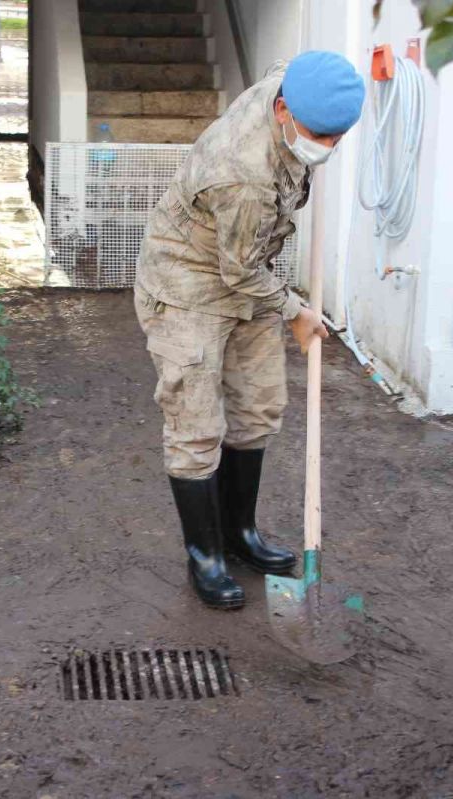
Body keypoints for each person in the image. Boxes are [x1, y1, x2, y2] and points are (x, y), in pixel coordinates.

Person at [135, 51, 365, 609]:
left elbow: (288, 66)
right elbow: (235, 272)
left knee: (257, 406)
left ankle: (240, 535)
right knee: (196, 424)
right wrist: (297, 312)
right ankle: (205, 558)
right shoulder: (242, 173)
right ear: (282, 110)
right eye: (318, 136)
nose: (326, 149)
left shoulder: (293, 88)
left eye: (336, 138)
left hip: (250, 269)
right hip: (188, 285)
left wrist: (283, 305)